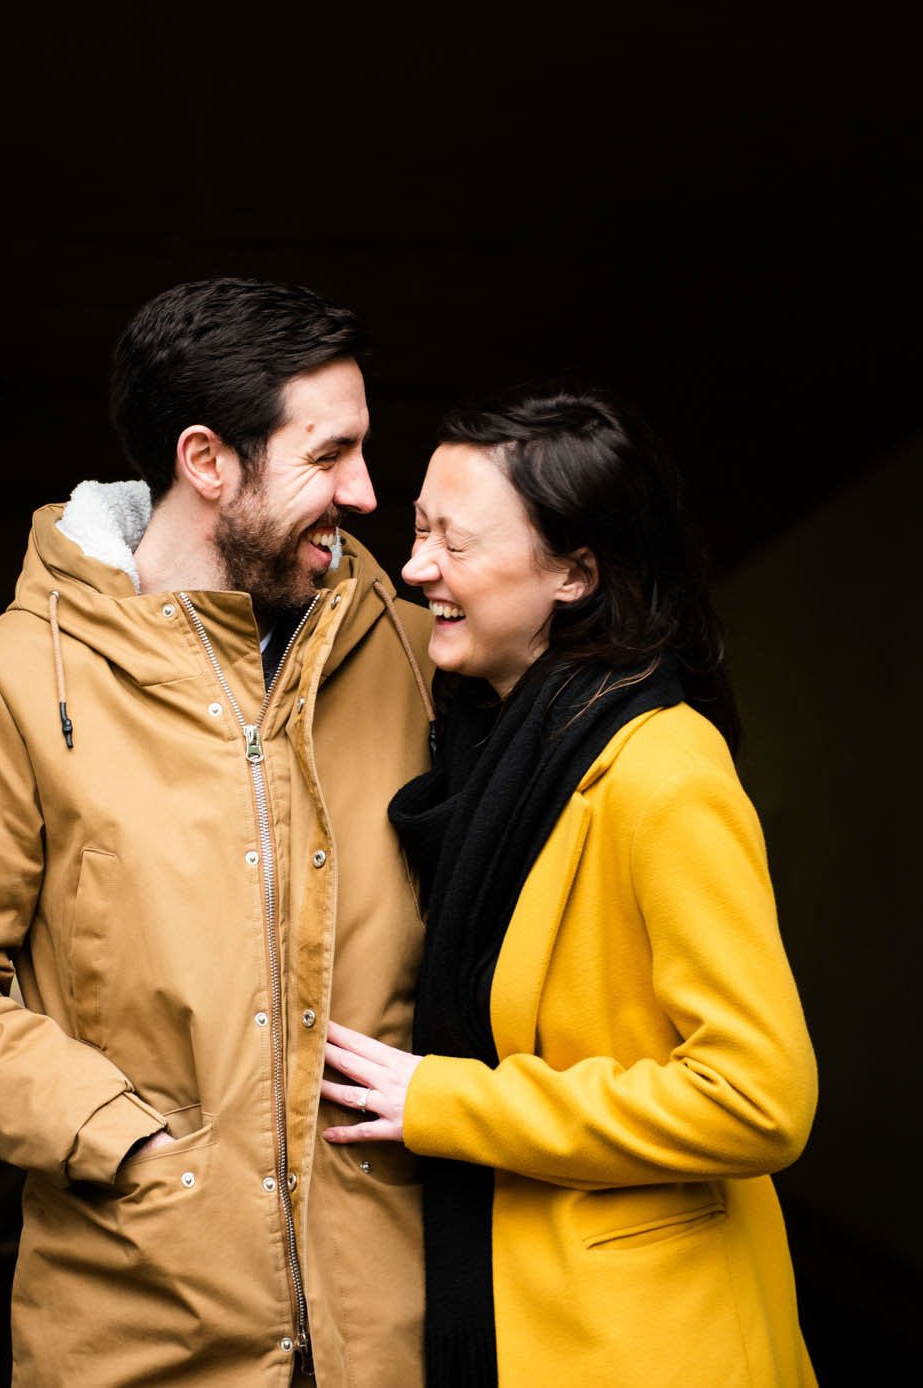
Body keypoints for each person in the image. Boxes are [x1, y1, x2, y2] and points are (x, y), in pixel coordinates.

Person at [0, 278, 438, 1385]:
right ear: (207, 462)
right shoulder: (12, 680)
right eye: (328, 455)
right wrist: (123, 1139)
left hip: (394, 1323)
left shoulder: (416, 656)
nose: (366, 492)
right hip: (139, 1331)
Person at [318, 383, 820, 1388]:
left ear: (574, 573)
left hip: (649, 1346)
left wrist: (449, 1102)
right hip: (523, 1320)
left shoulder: (661, 769)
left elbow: (761, 1099)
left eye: (453, 543)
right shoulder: (480, 757)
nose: (416, 570)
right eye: (418, 530)